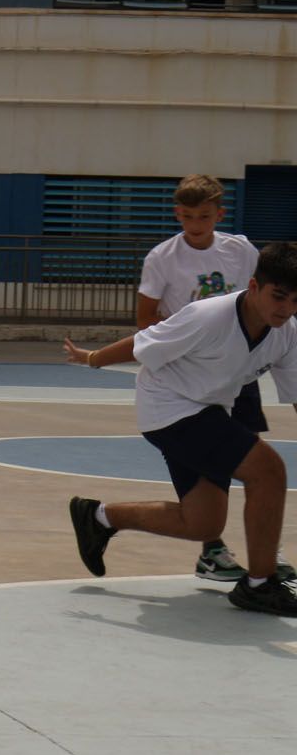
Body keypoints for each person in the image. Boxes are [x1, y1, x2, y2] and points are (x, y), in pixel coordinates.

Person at [64, 241, 297, 616]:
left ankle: (99, 517)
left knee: (202, 523)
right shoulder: (209, 316)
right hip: (170, 407)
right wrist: (92, 358)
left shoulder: (286, 332)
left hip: (209, 410)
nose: (285, 309)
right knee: (268, 471)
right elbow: (144, 344)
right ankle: (260, 584)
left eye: (294, 301)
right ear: (254, 287)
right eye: (279, 297)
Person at [135, 174, 265, 584]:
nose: (195, 224)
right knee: (201, 461)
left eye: (204, 216)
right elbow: (144, 320)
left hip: (237, 370)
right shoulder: (163, 257)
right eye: (188, 216)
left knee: (251, 458)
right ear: (177, 213)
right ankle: (212, 548)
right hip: (187, 378)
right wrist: (190, 337)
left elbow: (261, 296)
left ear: (219, 214)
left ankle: (267, 549)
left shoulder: (239, 250)